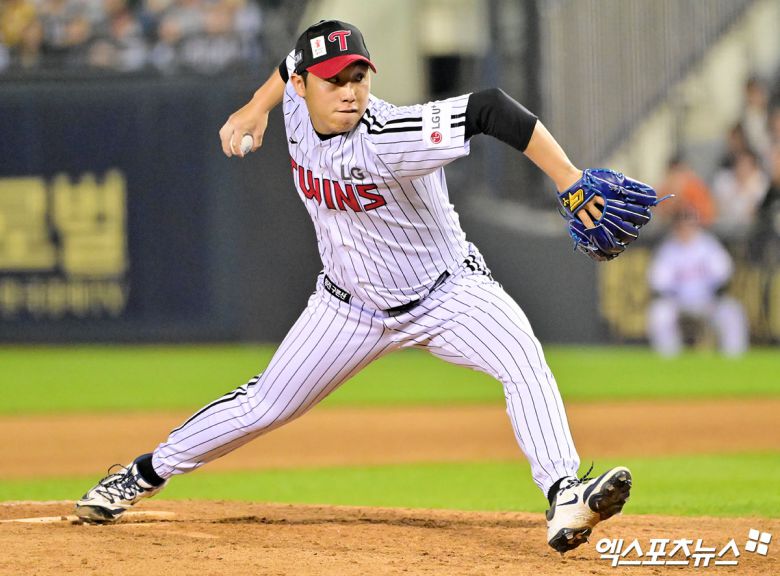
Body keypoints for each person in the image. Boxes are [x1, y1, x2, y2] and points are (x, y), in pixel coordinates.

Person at [74, 19, 636, 554]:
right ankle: (141, 474)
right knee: (266, 404)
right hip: (347, 308)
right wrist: (256, 106)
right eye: (334, 80)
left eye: (358, 77)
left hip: (447, 294)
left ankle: (565, 494)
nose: (348, 92)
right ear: (302, 88)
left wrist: (569, 179)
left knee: (522, 358)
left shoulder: (394, 135)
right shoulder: (295, 104)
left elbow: (490, 107)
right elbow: (290, 61)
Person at [647, 211, 748, 357]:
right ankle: (668, 359)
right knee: (659, 313)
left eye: (689, 224)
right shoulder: (667, 249)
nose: (685, 228)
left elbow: (723, 272)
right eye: (681, 225)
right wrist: (671, 296)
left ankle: (734, 359)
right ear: (675, 226)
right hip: (678, 302)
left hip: (708, 300)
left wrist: (716, 292)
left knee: (731, 311)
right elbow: (658, 282)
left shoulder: (708, 245)